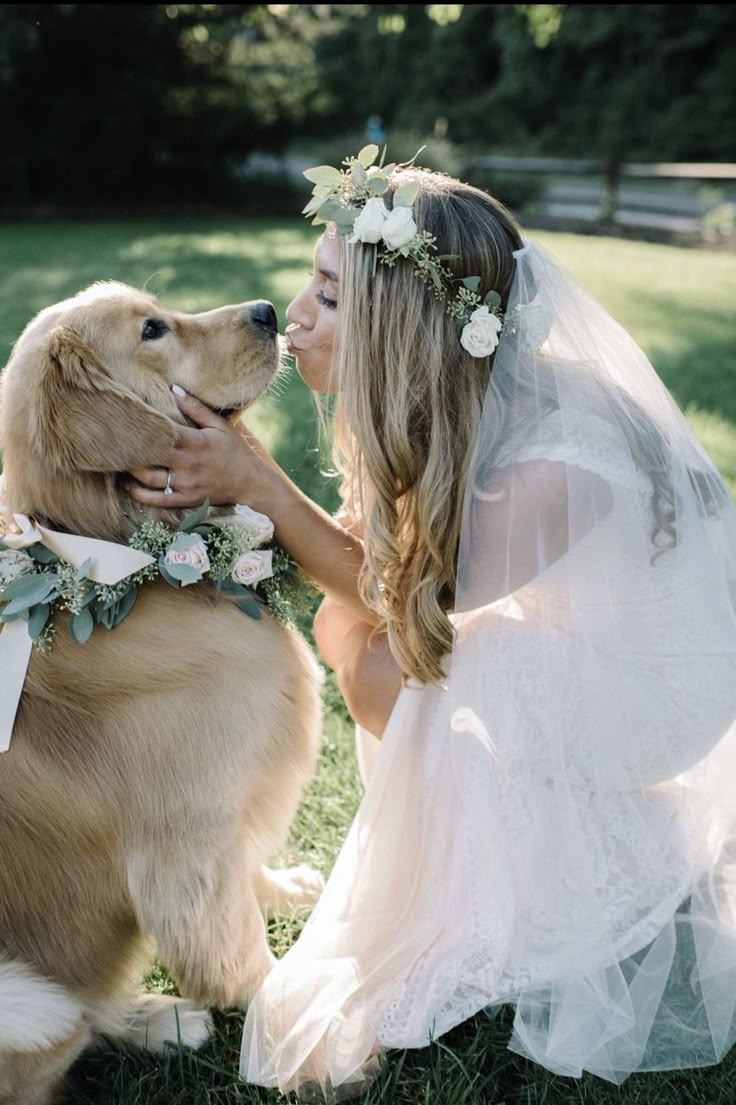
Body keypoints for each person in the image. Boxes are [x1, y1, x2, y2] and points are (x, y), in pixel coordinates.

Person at [129, 150, 736, 1100]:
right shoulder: (447, 398)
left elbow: (403, 593)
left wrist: (252, 477)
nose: (296, 312)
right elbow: (365, 573)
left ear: (404, 325)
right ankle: (566, 833)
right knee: (363, 645)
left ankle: (534, 877)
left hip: (661, 693)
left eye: (330, 295)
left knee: (439, 663)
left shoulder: (567, 452)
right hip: (584, 647)